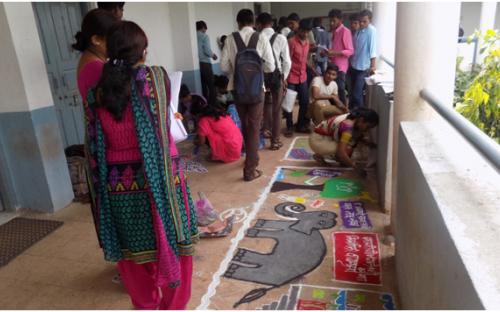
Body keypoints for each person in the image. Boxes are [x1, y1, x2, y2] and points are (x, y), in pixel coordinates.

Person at [85, 21, 198, 309]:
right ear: (143, 51)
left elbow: (94, 141)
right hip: (162, 179)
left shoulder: (96, 91)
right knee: (177, 245)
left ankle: (145, 306)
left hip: (119, 185)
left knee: (133, 257)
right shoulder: (156, 79)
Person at [74, 8, 118, 246]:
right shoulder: (95, 68)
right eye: (111, 39)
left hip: (100, 138)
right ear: (96, 39)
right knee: (114, 202)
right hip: (104, 141)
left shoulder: (93, 62)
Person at [220, 9, 275, 181]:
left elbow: (224, 67)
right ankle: (250, 169)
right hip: (257, 89)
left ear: (238, 23)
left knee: (246, 125)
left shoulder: (230, 39)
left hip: (238, 88)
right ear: (253, 22)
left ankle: (252, 159)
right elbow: (271, 67)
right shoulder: (262, 38)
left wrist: (236, 72)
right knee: (254, 127)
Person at [256, 12, 291, 151]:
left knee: (262, 106)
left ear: (259, 24)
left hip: (261, 77)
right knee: (277, 109)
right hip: (277, 77)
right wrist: (284, 78)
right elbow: (287, 61)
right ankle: (275, 141)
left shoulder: (256, 38)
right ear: (272, 23)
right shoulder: (281, 38)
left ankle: (264, 131)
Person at [309, 107, 378, 174]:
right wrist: (355, 167)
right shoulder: (348, 127)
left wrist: (367, 142)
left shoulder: (353, 119)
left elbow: (356, 135)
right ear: (361, 120)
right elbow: (341, 152)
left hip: (323, 137)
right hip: (318, 140)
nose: (367, 130)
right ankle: (319, 155)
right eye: (368, 126)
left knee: (351, 149)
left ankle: (328, 154)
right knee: (347, 151)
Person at [190, 98, 243, 163]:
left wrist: (196, 142)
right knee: (208, 132)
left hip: (231, 152)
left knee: (206, 135)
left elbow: (201, 142)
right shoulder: (220, 113)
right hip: (238, 146)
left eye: (194, 116)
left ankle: (220, 155)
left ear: (198, 114)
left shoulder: (204, 120)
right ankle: (221, 152)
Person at [285, 19, 313, 137]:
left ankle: (300, 124)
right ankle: (289, 126)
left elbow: (304, 59)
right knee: (289, 103)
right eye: (304, 31)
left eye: (307, 32)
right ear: (299, 30)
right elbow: (287, 60)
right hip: (291, 76)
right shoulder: (291, 42)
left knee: (305, 102)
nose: (305, 34)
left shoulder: (307, 42)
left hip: (303, 76)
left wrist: (311, 67)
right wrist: (285, 78)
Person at [324, 9, 353, 106]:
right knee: (333, 90)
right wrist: (327, 53)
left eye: (334, 21)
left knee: (340, 90)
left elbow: (350, 51)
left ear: (340, 20)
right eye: (330, 21)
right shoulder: (334, 32)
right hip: (332, 65)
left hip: (340, 68)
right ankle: (335, 113)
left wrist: (334, 52)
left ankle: (344, 112)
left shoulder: (345, 31)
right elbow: (335, 50)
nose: (331, 23)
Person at [348, 9, 377, 108]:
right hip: (353, 65)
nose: (361, 23)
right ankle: (352, 113)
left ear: (370, 21)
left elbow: (373, 49)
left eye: (364, 21)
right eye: (360, 21)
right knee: (352, 92)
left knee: (357, 93)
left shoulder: (371, 31)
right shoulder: (358, 30)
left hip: (363, 67)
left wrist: (373, 66)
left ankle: (361, 116)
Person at [196, 21, 218, 106]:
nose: (205, 31)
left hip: (198, 65)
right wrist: (213, 55)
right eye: (205, 29)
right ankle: (213, 106)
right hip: (205, 64)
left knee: (203, 87)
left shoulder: (193, 36)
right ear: (202, 28)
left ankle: (204, 105)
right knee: (212, 86)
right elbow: (207, 50)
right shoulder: (204, 36)